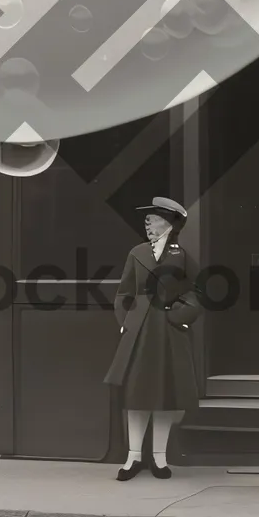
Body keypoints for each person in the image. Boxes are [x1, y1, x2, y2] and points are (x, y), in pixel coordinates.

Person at [102, 196, 205, 480]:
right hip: (140, 332)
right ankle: (133, 457)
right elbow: (124, 293)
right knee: (136, 395)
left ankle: (159, 458)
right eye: (147, 219)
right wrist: (127, 322)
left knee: (166, 395)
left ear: (170, 223)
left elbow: (196, 293)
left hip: (169, 332)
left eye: (154, 218)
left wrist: (179, 317)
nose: (148, 223)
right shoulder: (137, 252)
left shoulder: (181, 256)